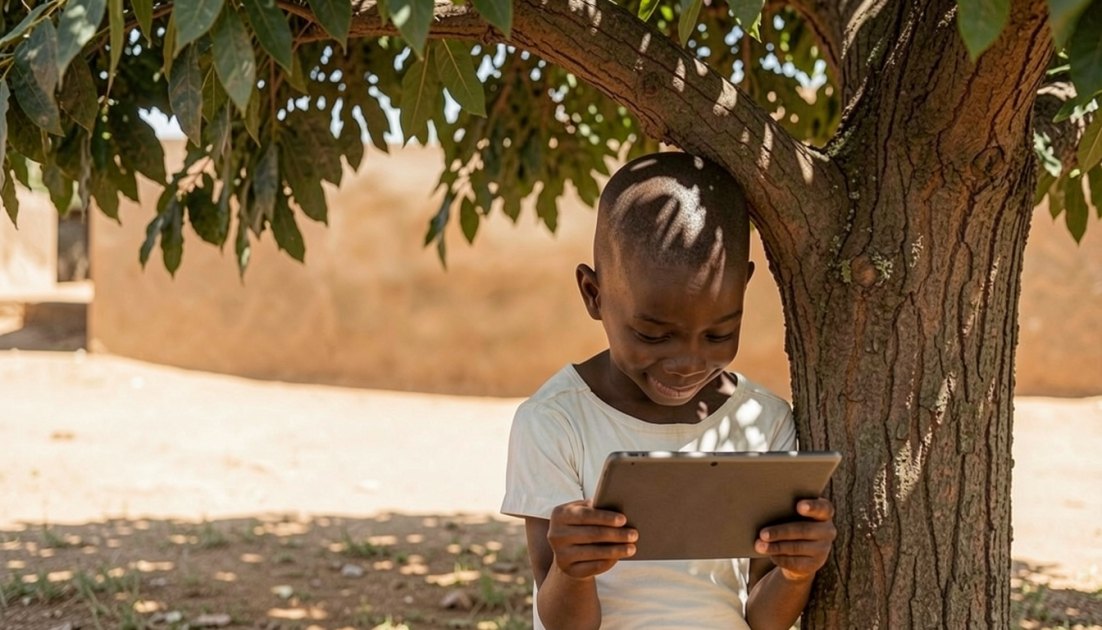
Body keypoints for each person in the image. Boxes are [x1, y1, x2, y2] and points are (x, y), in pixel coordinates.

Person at [500, 152, 836, 629]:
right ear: (593, 294)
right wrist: (573, 571)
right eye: (654, 336)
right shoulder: (555, 421)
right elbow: (562, 622)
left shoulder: (765, 420)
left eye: (719, 335)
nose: (687, 364)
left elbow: (764, 620)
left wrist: (796, 572)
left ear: (744, 287)